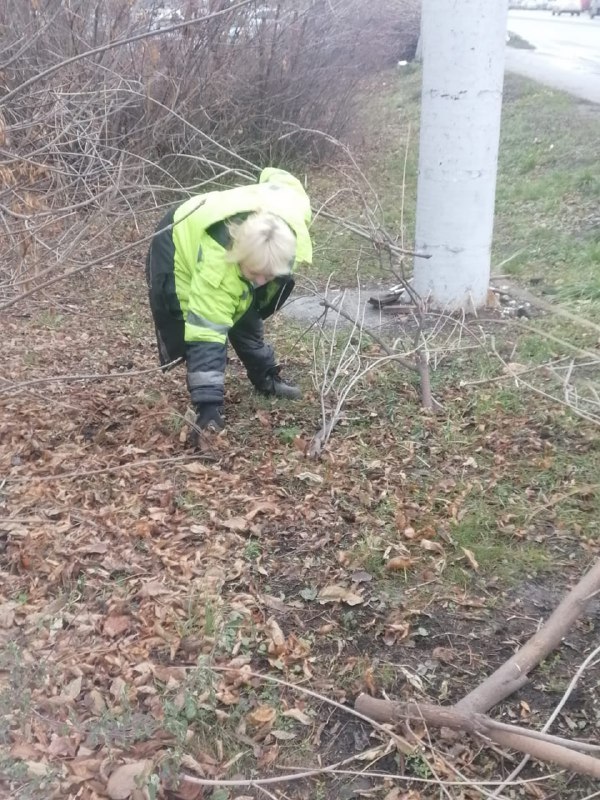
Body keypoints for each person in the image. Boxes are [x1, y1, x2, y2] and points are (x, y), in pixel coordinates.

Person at [146, 168, 312, 433]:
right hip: (177, 238)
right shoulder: (219, 265)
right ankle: (206, 403)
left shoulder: (292, 212)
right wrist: (209, 405)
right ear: (240, 256)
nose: (260, 282)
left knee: (246, 315)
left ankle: (265, 377)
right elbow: (206, 333)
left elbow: (281, 179)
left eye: (268, 275)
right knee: (199, 323)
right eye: (254, 273)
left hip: (218, 225)